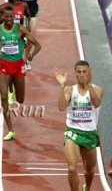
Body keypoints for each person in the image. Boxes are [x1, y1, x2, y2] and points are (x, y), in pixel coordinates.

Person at [0, 6, 41, 140]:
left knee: (20, 100)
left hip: (18, 66)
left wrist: (32, 55)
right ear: (2, 17)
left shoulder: (20, 29)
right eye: (7, 16)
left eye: (12, 17)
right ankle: (11, 130)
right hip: (4, 65)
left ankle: (12, 81)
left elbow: (38, 45)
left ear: (14, 17)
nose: (9, 19)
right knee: (4, 96)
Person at [53, 61, 103, 191]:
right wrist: (62, 85)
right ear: (75, 73)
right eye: (79, 72)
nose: (82, 74)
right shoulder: (70, 89)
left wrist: (88, 85)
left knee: (89, 170)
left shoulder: (97, 89)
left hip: (90, 134)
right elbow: (61, 107)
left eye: (84, 71)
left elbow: (96, 103)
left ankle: (88, 187)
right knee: (72, 169)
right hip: (72, 132)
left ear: (89, 72)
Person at [0, 0, 31, 104]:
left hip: (19, 38)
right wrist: (5, 18)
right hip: (7, 37)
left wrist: (27, 26)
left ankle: (13, 85)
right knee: (8, 62)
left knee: (15, 61)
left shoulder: (23, 5)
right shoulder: (1, 7)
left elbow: (28, 15)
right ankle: (10, 89)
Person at [9, 0, 44, 71]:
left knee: (30, 37)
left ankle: (25, 60)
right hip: (20, 10)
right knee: (21, 35)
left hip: (33, 9)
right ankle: (18, 59)